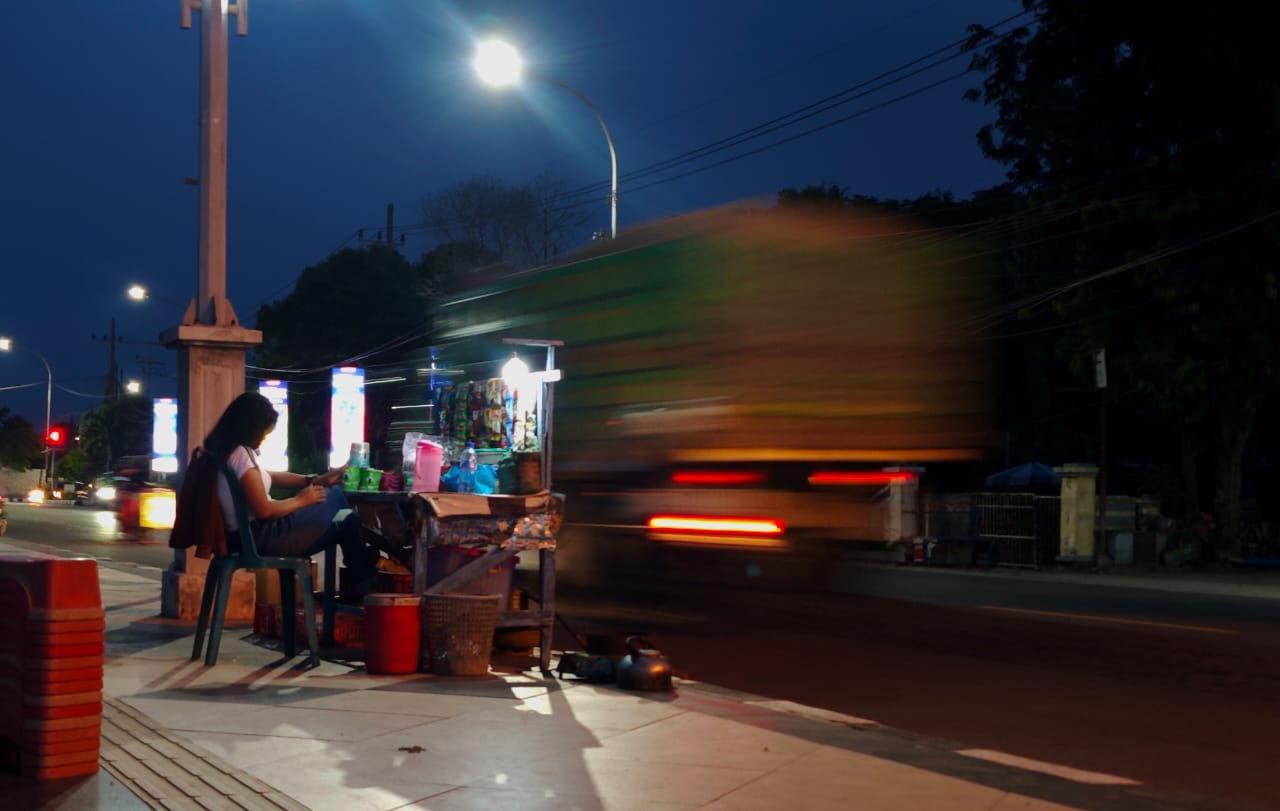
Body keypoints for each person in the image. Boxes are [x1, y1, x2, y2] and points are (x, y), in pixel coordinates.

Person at [203, 391, 376, 597]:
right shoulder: (239, 456)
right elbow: (264, 511)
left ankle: (362, 577)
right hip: (262, 537)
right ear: (250, 428)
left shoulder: (231, 453)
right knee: (344, 512)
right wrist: (300, 500)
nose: (263, 439)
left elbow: (271, 477)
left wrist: (314, 480)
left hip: (255, 534)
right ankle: (364, 580)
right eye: (263, 434)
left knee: (346, 517)